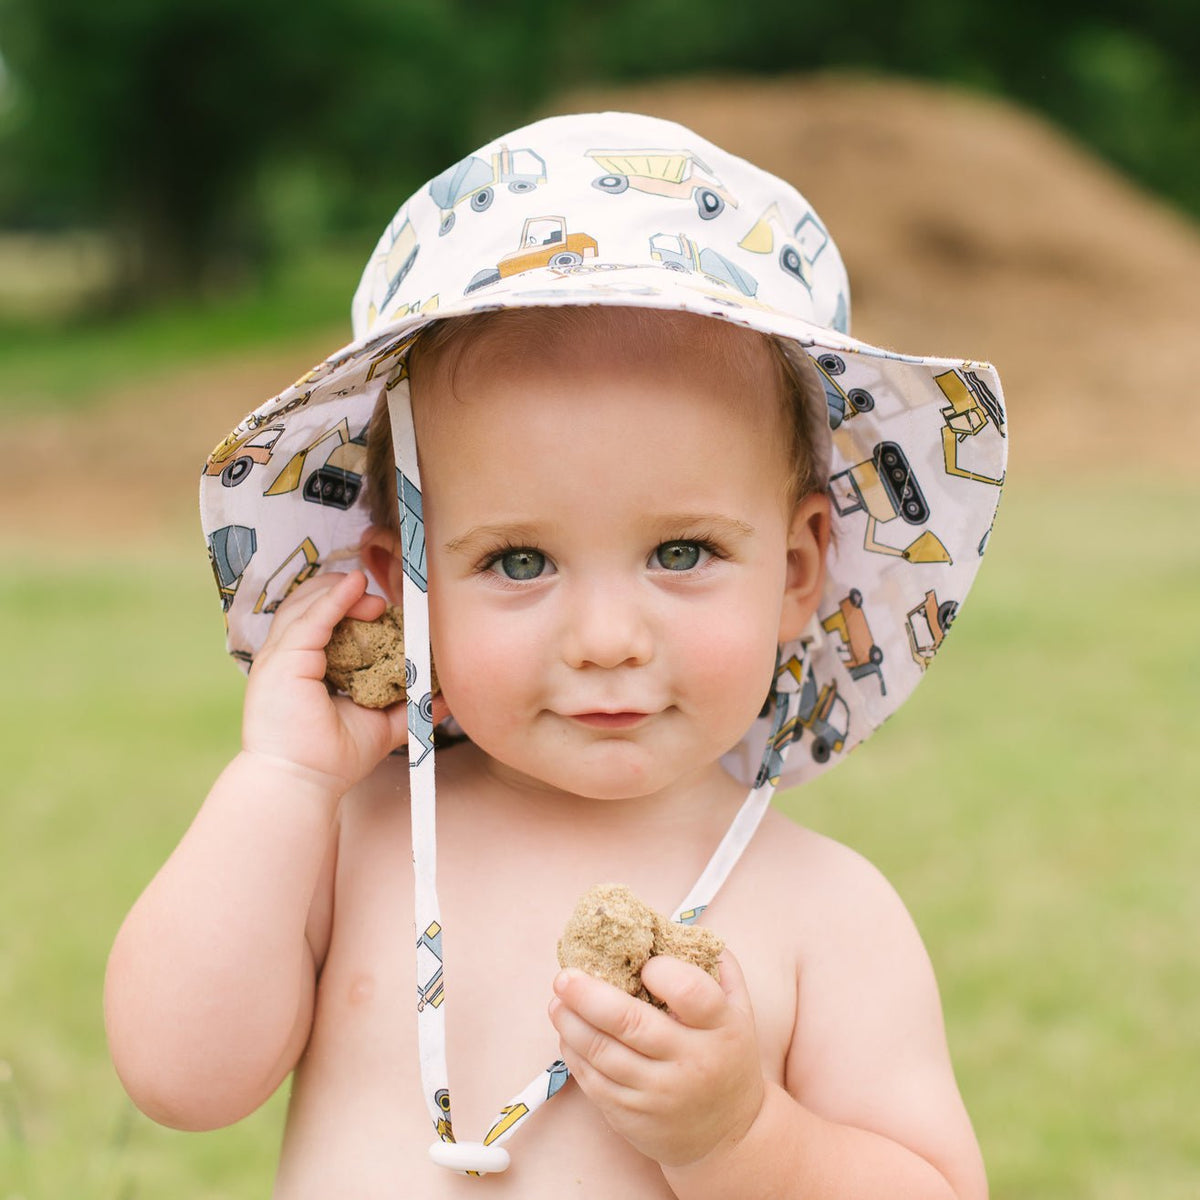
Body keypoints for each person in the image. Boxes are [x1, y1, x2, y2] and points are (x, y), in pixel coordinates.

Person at [105, 111, 1007, 1198]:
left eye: (682, 551)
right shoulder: (355, 839)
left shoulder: (826, 913)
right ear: (404, 582)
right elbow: (175, 1078)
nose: (606, 640)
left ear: (801, 566)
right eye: (520, 561)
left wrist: (741, 1137)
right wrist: (284, 781)